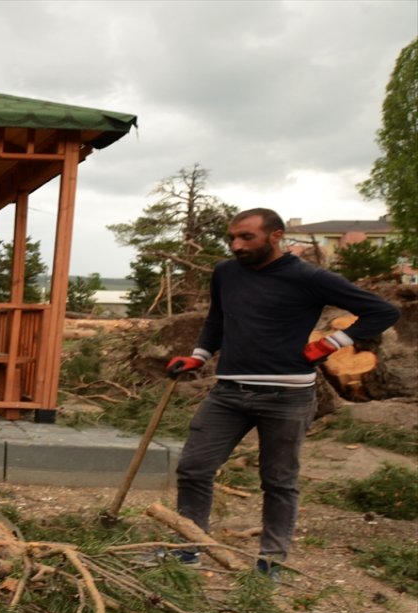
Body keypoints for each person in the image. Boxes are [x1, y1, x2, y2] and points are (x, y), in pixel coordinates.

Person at [166, 208, 400, 577]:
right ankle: (187, 548)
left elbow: (382, 311)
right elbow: (217, 319)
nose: (236, 245)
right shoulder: (226, 273)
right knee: (194, 468)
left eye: (246, 238)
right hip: (229, 392)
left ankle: (271, 562)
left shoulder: (308, 276)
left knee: (278, 481)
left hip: (287, 397)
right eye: (232, 238)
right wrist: (198, 356)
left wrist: (331, 343)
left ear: (275, 236)